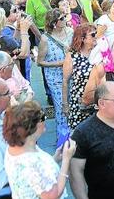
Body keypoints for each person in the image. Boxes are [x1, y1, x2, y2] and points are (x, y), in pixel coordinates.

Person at [3, 101, 77, 199]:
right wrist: (66, 160)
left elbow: (38, 176)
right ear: (32, 126)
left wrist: (55, 158)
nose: (45, 119)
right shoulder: (31, 161)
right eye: (42, 117)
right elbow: (52, 195)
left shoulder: (17, 147)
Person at [37, 9, 73, 141]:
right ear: (54, 23)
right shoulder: (45, 39)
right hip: (55, 77)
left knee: (72, 104)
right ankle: (62, 139)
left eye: (64, 17)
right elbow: (40, 62)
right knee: (61, 107)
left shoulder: (70, 32)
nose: (65, 20)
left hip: (71, 75)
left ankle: (73, 137)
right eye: (62, 18)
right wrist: (60, 63)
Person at [62, 24, 99, 130]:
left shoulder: (99, 53)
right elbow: (65, 81)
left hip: (96, 102)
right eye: (93, 35)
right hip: (78, 102)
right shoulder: (72, 56)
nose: (96, 36)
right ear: (82, 38)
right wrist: (65, 104)